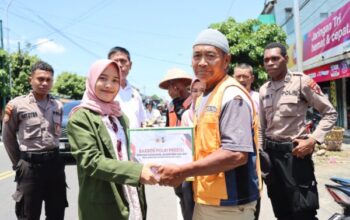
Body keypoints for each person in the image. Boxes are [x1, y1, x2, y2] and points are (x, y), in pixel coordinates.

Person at [157, 29, 261, 220]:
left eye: (210, 56)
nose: (202, 62)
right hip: (208, 197)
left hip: (229, 203)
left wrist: (182, 171)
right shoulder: (206, 95)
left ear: (226, 60)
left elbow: (235, 154)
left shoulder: (231, 95)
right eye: (197, 56)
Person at [67, 59, 158, 220]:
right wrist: (137, 172)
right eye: (102, 78)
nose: (109, 85)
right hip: (103, 204)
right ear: (92, 80)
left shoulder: (119, 116)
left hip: (130, 196)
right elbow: (91, 161)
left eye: (115, 80)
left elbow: (130, 152)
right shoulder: (81, 117)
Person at [259, 42, 338, 220]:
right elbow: (261, 127)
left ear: (286, 59)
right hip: (271, 156)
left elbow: (330, 113)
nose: (270, 63)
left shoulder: (301, 82)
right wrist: (260, 153)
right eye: (266, 60)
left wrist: (312, 140)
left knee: (303, 210)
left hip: (295, 154)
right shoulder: (264, 90)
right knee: (281, 209)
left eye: (275, 58)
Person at [2, 61, 68, 220]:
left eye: (48, 79)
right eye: (40, 79)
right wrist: (18, 163)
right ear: (30, 79)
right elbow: (8, 136)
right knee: (28, 214)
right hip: (30, 167)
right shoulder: (17, 105)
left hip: (55, 165)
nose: (44, 83)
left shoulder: (57, 105)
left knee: (57, 211)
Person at [233, 63, 261, 220]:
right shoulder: (228, 97)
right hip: (234, 152)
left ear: (252, 78)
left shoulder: (258, 98)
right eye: (238, 76)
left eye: (245, 76)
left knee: (255, 189)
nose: (242, 79)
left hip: (255, 150)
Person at [108, 46, 146, 128]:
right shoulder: (104, 91)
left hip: (135, 140)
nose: (119, 65)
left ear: (130, 65)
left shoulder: (136, 94)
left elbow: (142, 122)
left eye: (123, 61)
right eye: (115, 61)